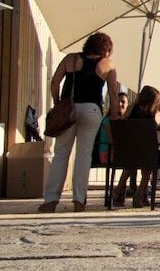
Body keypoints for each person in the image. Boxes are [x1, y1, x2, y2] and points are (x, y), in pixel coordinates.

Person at [39, 32, 120, 213]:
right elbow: (113, 94)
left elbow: (54, 82)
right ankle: (79, 200)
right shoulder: (107, 65)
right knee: (84, 155)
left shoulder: (71, 59)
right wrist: (113, 116)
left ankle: (51, 200)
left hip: (70, 109)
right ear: (105, 49)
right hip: (92, 110)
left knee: (61, 154)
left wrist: (58, 102)